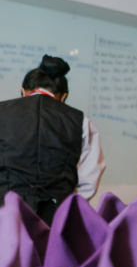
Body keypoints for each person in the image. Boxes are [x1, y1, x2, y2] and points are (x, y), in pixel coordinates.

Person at [0, 55, 106, 225]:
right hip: (56, 220)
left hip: (5, 215)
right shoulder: (82, 123)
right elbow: (88, 182)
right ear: (63, 97)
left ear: (23, 92)